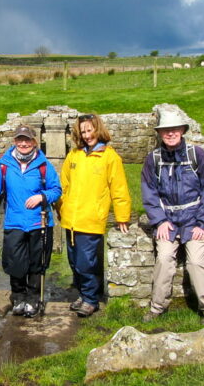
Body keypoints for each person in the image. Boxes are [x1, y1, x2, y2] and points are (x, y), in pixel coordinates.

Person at [0, 125, 62, 317]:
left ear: (34, 142)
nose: (23, 143)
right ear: (14, 142)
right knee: (15, 263)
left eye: (27, 140)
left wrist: (42, 197)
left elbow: (56, 190)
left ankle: (33, 299)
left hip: (40, 223)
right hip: (14, 222)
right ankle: (18, 297)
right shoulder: (4, 165)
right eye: (20, 140)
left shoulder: (44, 165)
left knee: (37, 264)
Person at [140, 110, 204, 324]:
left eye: (174, 129)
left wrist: (203, 223)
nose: (170, 133)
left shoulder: (197, 155)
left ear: (182, 131)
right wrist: (159, 221)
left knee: (195, 261)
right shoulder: (154, 159)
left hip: (194, 220)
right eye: (166, 130)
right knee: (165, 258)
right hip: (168, 220)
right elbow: (149, 192)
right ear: (160, 133)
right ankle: (157, 307)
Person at [59, 113, 132, 317]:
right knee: (74, 262)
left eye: (90, 130)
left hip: (91, 219)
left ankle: (91, 299)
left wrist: (122, 216)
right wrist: (60, 207)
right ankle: (84, 294)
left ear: (98, 130)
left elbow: (119, 189)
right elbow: (63, 184)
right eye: (83, 131)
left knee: (87, 263)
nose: (87, 134)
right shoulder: (74, 155)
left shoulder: (110, 157)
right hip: (71, 220)